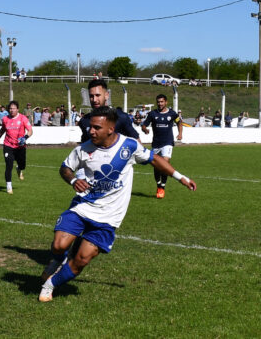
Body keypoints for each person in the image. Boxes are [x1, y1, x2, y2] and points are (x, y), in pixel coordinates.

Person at [39, 106, 197, 302]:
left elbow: (154, 159)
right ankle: (58, 259)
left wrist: (180, 177)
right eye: (90, 126)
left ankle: (50, 285)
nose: (91, 131)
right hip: (83, 206)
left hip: (109, 216)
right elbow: (65, 168)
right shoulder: (83, 148)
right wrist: (72, 180)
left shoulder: (129, 146)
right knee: (58, 245)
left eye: (96, 127)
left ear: (110, 130)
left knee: (81, 260)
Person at [141, 94, 183, 199]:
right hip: (156, 143)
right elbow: (144, 124)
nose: (160, 104)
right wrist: (145, 129)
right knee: (157, 166)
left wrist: (180, 133)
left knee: (165, 163)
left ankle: (162, 187)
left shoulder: (172, 114)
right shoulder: (152, 114)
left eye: (162, 102)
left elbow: (179, 122)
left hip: (168, 142)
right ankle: (158, 185)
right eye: (158, 102)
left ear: (166, 102)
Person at [0, 101, 33, 194]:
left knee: (22, 165)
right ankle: (9, 186)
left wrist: (25, 137)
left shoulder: (23, 118)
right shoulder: (5, 119)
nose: (11, 110)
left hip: (20, 146)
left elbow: (30, 130)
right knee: (9, 165)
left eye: (13, 108)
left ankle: (19, 169)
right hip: (8, 145)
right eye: (10, 108)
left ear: (17, 109)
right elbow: (3, 129)